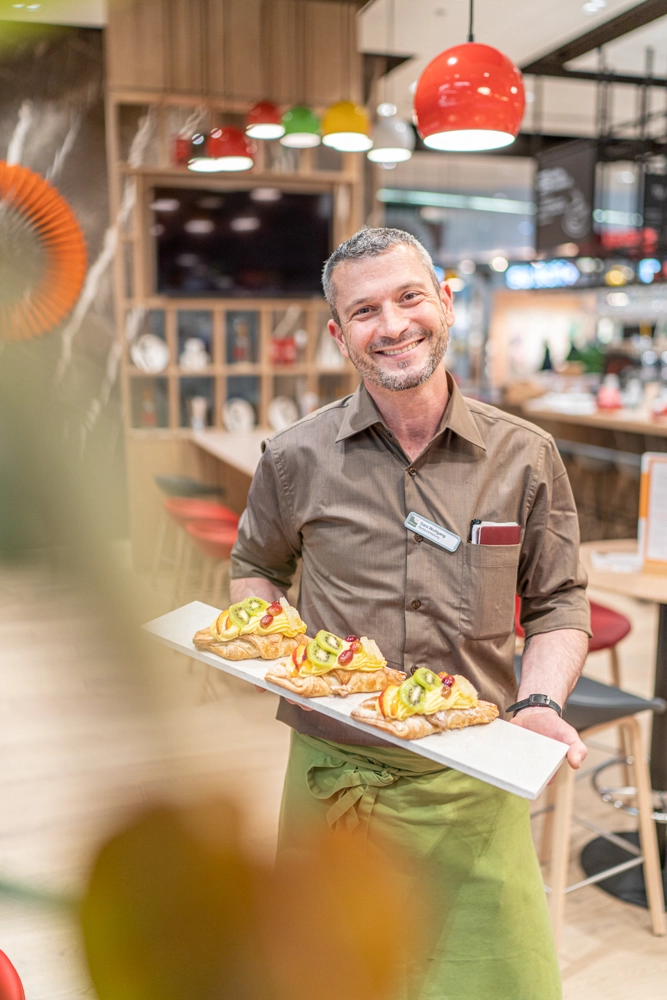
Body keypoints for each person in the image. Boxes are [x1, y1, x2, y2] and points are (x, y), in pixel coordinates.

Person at [230, 228, 590, 1000]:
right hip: (335, 783)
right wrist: (264, 645)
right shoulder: (295, 457)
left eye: (407, 297)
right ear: (337, 334)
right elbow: (254, 567)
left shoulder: (524, 456)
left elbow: (559, 599)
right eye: (363, 311)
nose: (390, 325)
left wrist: (537, 701)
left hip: (473, 777)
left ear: (446, 303)